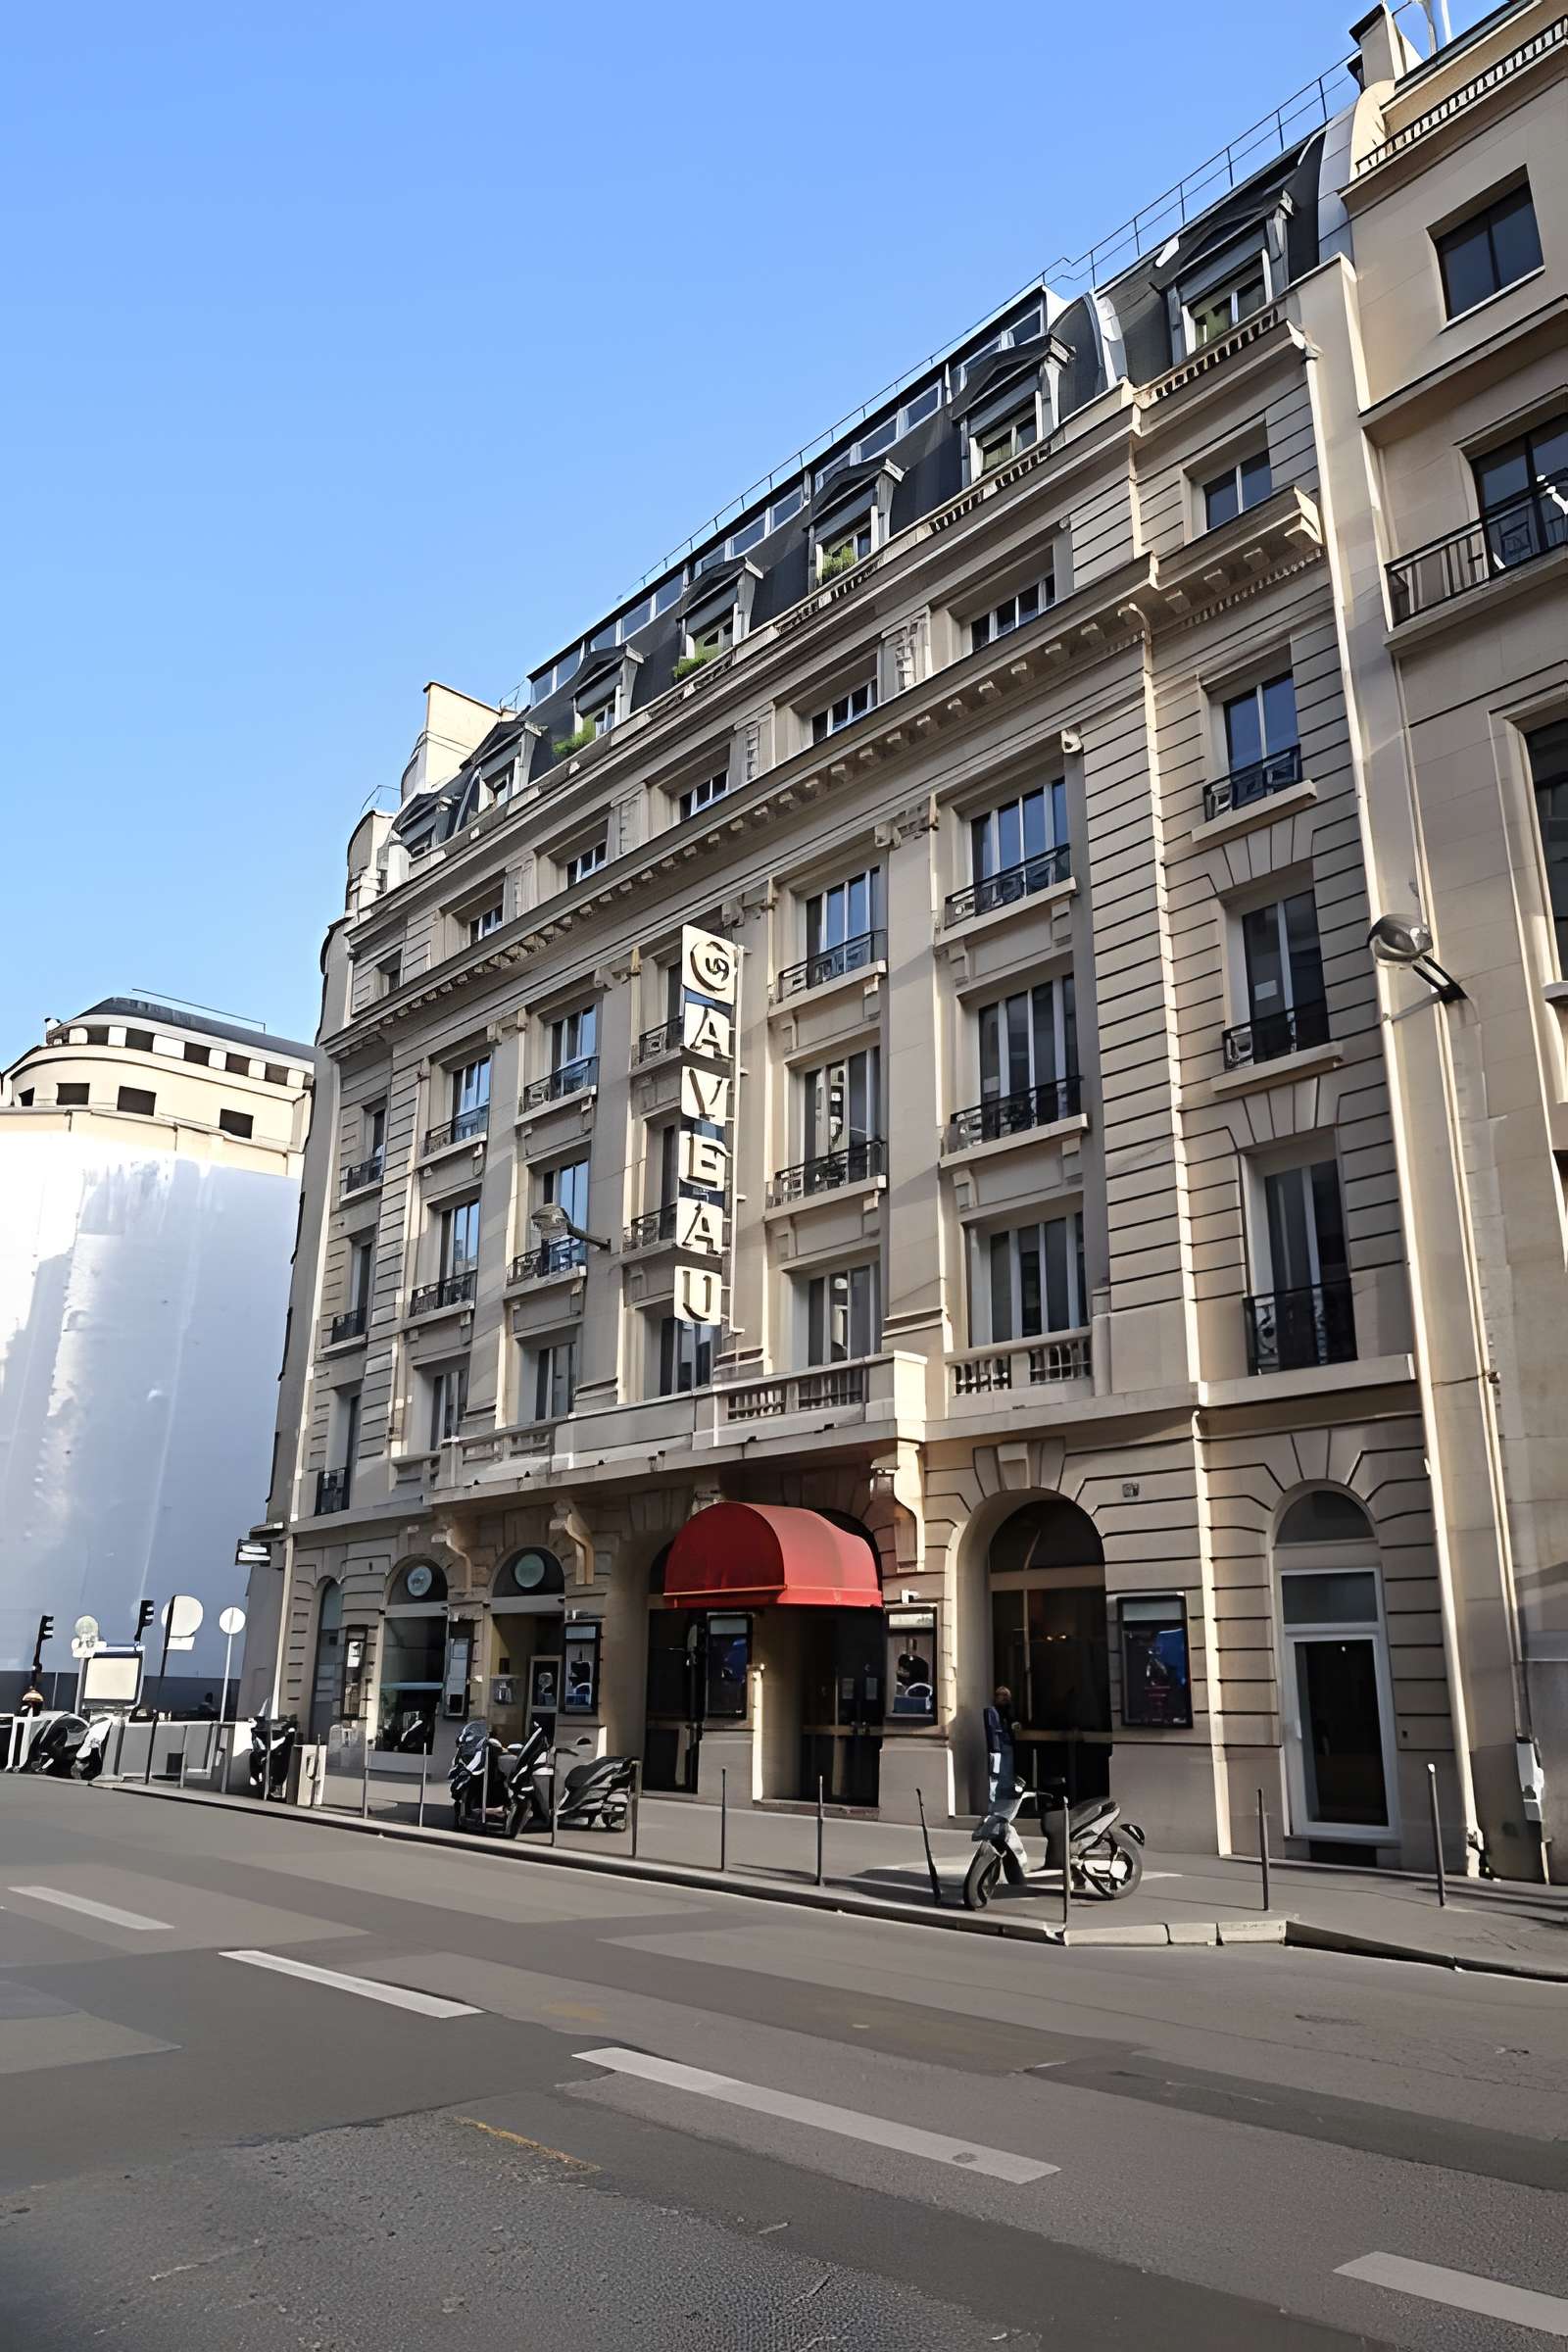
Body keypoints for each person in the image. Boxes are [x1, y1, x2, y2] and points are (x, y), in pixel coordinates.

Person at [983, 1685, 1016, 1804]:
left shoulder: (1003, 1713)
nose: (1004, 1700)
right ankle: (998, 1802)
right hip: (999, 1747)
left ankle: (1002, 1801)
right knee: (998, 1776)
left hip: (1003, 1746)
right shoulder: (993, 1712)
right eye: (1002, 1697)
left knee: (1004, 1776)